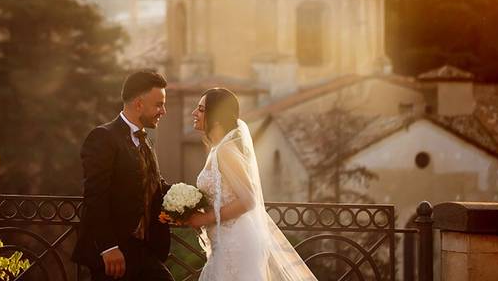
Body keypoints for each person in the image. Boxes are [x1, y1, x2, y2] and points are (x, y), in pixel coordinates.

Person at [186, 88, 317, 281]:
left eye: (201, 109)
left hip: (236, 243)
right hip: (224, 243)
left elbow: (248, 200)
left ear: (216, 117)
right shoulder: (217, 150)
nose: (194, 113)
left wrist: (204, 219)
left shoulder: (225, 151)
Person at [72, 70, 173, 281]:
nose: (163, 111)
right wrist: (108, 248)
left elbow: (155, 185)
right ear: (138, 104)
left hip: (144, 251)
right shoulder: (103, 137)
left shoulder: (146, 141)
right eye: (158, 104)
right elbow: (95, 196)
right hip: (114, 255)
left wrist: (194, 197)